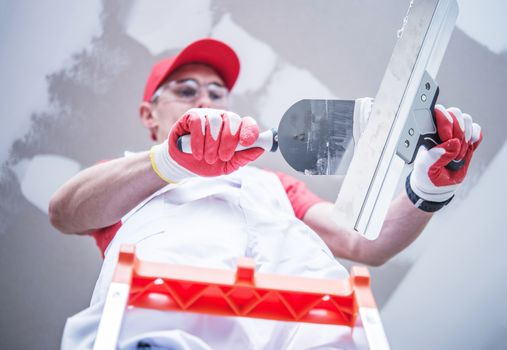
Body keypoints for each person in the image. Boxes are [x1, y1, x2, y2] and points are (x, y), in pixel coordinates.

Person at [50, 38, 482, 349]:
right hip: (163, 328)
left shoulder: (272, 185)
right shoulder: (127, 176)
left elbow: (362, 242)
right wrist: (171, 162)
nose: (207, 100)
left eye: (217, 93)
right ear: (149, 114)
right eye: (187, 91)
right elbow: (64, 212)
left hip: (308, 330)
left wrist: (426, 189)